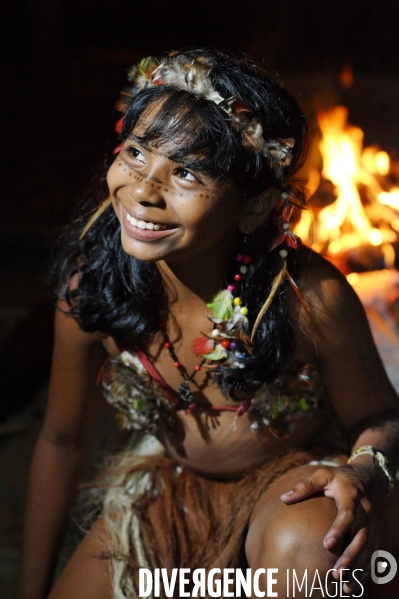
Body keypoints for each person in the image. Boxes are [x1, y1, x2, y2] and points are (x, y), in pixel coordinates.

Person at [16, 49, 399, 599]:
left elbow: (382, 414)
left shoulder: (304, 296)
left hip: (288, 483)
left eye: (187, 172)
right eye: (137, 153)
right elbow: (60, 441)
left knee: (312, 553)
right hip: (173, 491)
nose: (145, 190)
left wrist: (366, 472)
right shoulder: (94, 287)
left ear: (253, 207)